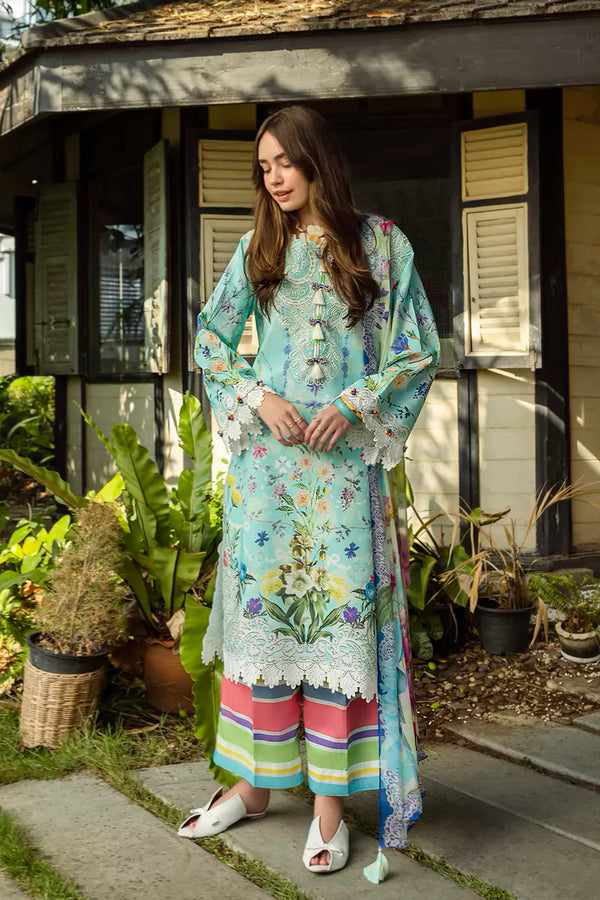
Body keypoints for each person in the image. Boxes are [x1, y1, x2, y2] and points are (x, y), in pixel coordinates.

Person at [178, 105, 440, 880]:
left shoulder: (383, 244)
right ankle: (251, 786)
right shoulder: (259, 248)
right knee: (266, 631)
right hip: (267, 481)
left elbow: (419, 349)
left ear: (317, 159)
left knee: (337, 632)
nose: (274, 178)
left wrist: (355, 404)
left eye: (284, 162)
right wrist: (259, 397)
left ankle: (328, 806)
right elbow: (209, 341)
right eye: (263, 167)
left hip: (344, 483)